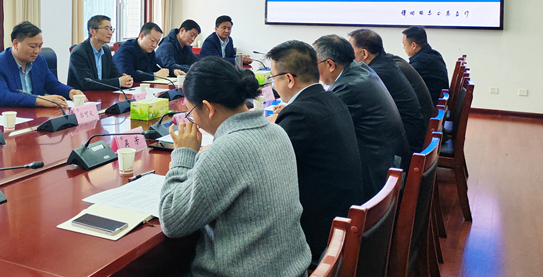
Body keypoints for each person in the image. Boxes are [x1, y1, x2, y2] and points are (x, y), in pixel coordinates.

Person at [159, 57, 312, 277]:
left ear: (208, 108)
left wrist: (183, 154)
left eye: (191, 113)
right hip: (291, 270)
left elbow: (172, 221)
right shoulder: (277, 131)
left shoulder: (225, 151)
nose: (193, 121)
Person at [265, 40, 363, 261]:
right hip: (343, 215)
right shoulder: (331, 99)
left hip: (319, 230)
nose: (273, 85)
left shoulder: (300, 115)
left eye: (273, 78)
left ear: (289, 79)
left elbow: (265, 165)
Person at [314, 34, 410, 200]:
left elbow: (321, 125)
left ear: (330, 64)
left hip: (378, 174)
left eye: (313, 64)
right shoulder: (361, 71)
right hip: (390, 161)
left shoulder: (348, 87)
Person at [349, 29, 427, 153]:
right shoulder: (386, 63)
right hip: (411, 133)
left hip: (406, 144)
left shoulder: (375, 74)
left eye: (351, 51)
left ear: (364, 53)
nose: (348, 56)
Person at [0, 21, 83, 109]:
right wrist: (39, 100)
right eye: (33, 46)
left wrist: (70, 92)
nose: (37, 51)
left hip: (33, 114)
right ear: (16, 44)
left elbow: (53, 85)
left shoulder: (39, 61)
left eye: (40, 46)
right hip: (4, 117)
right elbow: (2, 96)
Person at [68, 15, 134, 90]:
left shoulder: (106, 50)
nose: (110, 33)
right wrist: (118, 82)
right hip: (83, 95)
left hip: (102, 93)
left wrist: (125, 80)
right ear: (92, 31)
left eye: (111, 29)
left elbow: (114, 73)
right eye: (106, 29)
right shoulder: (78, 53)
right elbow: (87, 83)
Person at [402, 26, 450, 107]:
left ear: (414, 45)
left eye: (404, 45)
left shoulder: (422, 62)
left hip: (431, 107)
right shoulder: (434, 54)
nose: (404, 48)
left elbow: (402, 79)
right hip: (438, 103)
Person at [388, 52, 437, 122]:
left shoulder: (392, 69)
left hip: (422, 121)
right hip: (427, 115)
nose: (404, 48)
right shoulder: (398, 62)